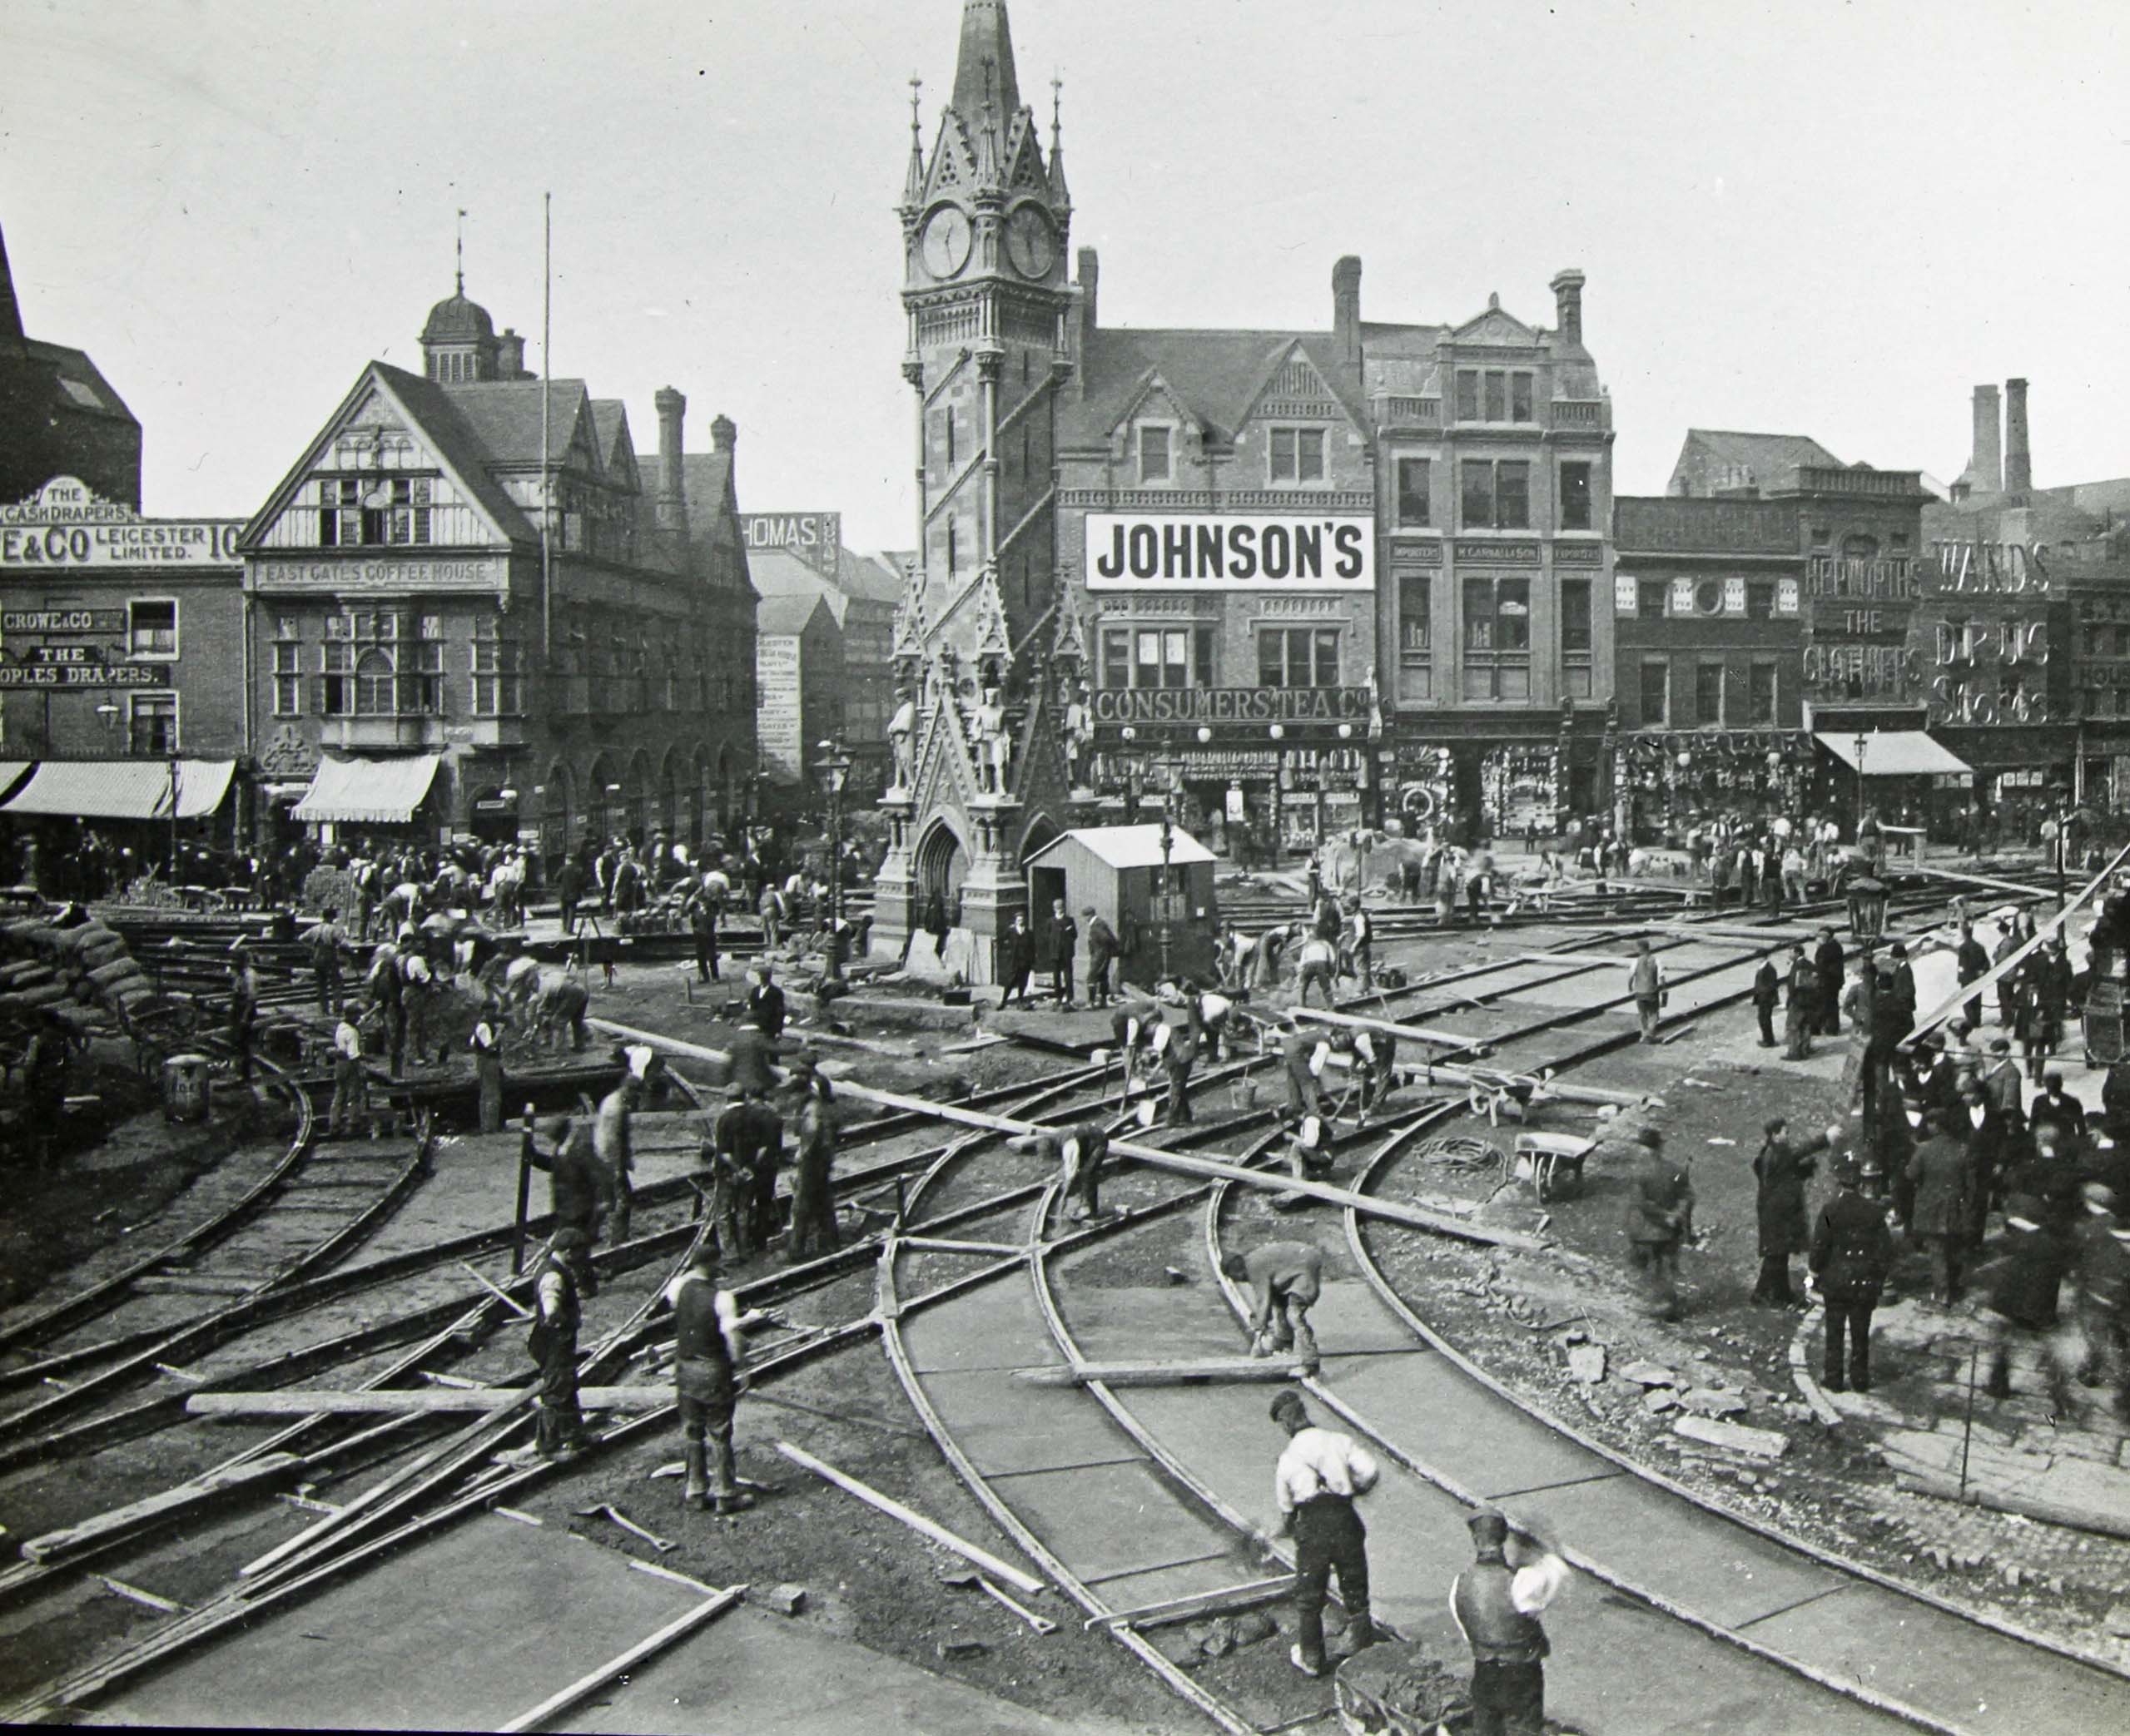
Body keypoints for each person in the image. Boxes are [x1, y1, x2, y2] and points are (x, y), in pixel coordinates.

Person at [1266, 1389, 1379, 1679]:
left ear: (1284, 1424)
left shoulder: (1288, 1459)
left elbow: (1286, 1507)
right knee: (1354, 1584)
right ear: (1305, 1414)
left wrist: (1284, 1531)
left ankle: (1313, 1658)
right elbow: (1370, 1470)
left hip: (1313, 1527)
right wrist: (1356, 1488)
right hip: (1345, 1518)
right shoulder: (1338, 1440)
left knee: (1310, 1596)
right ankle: (1362, 1646)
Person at [1451, 1508, 1568, 1736]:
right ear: (1504, 1537)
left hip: (1484, 1672)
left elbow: (1470, 1629)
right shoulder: (1522, 1581)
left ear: (1475, 1539)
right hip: (1521, 1674)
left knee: (1487, 1729)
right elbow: (1554, 1575)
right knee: (1523, 1728)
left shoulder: (1460, 1584)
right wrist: (1545, 1549)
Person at [664, 1241, 754, 1513]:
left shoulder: (677, 1287)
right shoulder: (722, 1298)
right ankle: (726, 1495)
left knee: (693, 1432)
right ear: (714, 1262)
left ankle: (695, 1490)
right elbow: (732, 1338)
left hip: (684, 1368)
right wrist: (742, 1368)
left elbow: (677, 1310)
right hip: (713, 1370)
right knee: (720, 1432)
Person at [1808, 1159, 1894, 1393]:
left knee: (1834, 1332)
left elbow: (1819, 1246)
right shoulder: (1874, 1212)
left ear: (1840, 1182)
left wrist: (1813, 1274)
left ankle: (1834, 1378)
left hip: (1836, 1280)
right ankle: (1860, 1379)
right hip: (1864, 1281)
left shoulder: (1830, 1210)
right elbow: (1885, 1249)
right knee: (1860, 1332)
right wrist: (1877, 1276)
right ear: (1861, 1183)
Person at [526, 1228, 595, 1461]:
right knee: (556, 1390)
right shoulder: (553, 1276)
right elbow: (551, 1310)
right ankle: (549, 1447)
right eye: (577, 1252)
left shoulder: (553, 1267)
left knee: (568, 1385)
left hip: (558, 1341)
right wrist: (563, 1321)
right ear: (567, 1251)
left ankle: (576, 1435)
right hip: (553, 1341)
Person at [1752, 1116, 1835, 1305]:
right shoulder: (1778, 1153)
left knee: (1778, 1254)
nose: (1788, 1136)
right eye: (1785, 1132)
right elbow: (1798, 1153)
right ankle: (1771, 1295)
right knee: (1777, 1255)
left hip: (1775, 1212)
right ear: (1775, 1135)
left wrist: (1805, 1170)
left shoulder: (1770, 1153)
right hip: (1776, 1213)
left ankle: (1772, 1293)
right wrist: (1825, 1139)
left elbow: (1786, 1173)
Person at [1907, 1110, 1975, 1304]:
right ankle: (1954, 1286)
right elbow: (1971, 1185)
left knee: (1936, 1251)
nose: (1927, 1126)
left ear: (1936, 1125)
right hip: (1956, 1208)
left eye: (1930, 1123)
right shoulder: (1963, 1149)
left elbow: (1911, 1174)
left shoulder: (1923, 1149)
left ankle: (1942, 1293)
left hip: (1931, 1208)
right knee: (1953, 1248)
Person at [1623, 1128, 1692, 1320]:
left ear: (1644, 1148)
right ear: (1660, 1147)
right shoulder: (1675, 1170)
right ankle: (1668, 1303)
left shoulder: (1638, 1172)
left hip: (1645, 1231)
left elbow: (1641, 1203)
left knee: (1644, 1266)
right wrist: (1676, 1215)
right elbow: (1687, 1196)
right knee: (1667, 1266)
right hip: (1669, 1232)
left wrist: (1664, 1216)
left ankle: (1655, 1304)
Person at [524, 1110, 608, 1266]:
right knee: (569, 1249)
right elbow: (556, 1167)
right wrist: (534, 1157)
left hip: (580, 1209)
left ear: (563, 1132)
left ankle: (586, 1287)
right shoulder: (562, 1146)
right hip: (565, 1208)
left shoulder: (581, 1148)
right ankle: (578, 1282)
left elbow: (599, 1175)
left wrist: (602, 1202)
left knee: (577, 1250)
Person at [709, 1089, 783, 1256]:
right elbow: (763, 1147)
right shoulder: (756, 1116)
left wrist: (737, 1169)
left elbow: (724, 1152)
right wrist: (750, 1168)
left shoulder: (724, 1119)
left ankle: (730, 1254)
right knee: (744, 1210)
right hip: (750, 1172)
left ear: (727, 1098)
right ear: (745, 1097)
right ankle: (744, 1251)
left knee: (723, 1213)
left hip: (728, 1173)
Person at [1226, 1239, 1324, 1364]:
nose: (1239, 1281)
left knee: (1294, 1315)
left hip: (1304, 1266)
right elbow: (1268, 1300)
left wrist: (1259, 1326)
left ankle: (1310, 1358)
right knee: (1278, 1303)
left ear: (1237, 1271)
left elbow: (1263, 1300)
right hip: (1298, 1261)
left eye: (1236, 1278)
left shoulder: (1253, 1269)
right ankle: (1284, 1342)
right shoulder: (1251, 1263)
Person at [784, 1064, 838, 1258]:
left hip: (812, 1162)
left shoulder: (813, 1107)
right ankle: (831, 1243)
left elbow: (812, 1132)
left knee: (802, 1206)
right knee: (824, 1203)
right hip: (823, 1160)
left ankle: (795, 1251)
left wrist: (802, 1153)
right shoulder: (822, 1104)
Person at [594, 1075, 643, 1246]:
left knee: (605, 1200)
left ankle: (592, 1233)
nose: (636, 1099)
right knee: (624, 1200)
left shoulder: (610, 1100)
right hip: (610, 1159)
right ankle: (618, 1241)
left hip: (602, 1156)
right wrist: (617, 1168)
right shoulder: (618, 1108)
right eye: (635, 1094)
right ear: (629, 1090)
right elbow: (614, 1139)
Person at [328, 1006, 367, 1136]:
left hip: (339, 1064)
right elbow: (353, 1054)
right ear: (351, 1016)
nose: (358, 1019)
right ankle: (353, 1123)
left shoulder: (341, 1027)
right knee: (354, 1095)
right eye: (356, 1016)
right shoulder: (352, 1032)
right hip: (350, 1064)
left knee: (339, 1093)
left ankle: (334, 1124)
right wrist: (367, 1058)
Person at [304, 906, 349, 1015]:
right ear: (331, 917)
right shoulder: (334, 929)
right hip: (330, 957)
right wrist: (349, 952)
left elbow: (302, 938)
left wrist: (311, 948)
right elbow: (343, 943)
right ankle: (338, 1010)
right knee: (336, 983)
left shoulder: (315, 929)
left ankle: (324, 1010)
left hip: (317, 957)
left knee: (321, 985)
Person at [2029, 1068, 2088, 1148]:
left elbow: (2082, 1130)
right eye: (2050, 1086)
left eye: (2054, 1086)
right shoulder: (2039, 1101)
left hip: (2065, 1145)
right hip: (2047, 1143)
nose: (2052, 1088)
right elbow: (2032, 1126)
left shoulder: (2073, 1103)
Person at [469, 1003, 504, 1133]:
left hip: (483, 1060)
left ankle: (486, 1126)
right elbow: (489, 1045)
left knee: (486, 1093)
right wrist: (499, 1033)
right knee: (492, 1094)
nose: (494, 1013)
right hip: (489, 1060)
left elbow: (472, 1042)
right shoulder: (485, 1025)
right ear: (486, 1011)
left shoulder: (481, 1025)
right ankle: (490, 1127)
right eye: (492, 1010)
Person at [226, 950, 259, 1084]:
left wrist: (245, 1016)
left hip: (245, 1010)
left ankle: (245, 1076)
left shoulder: (250, 975)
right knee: (235, 1041)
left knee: (243, 1042)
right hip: (237, 1008)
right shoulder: (238, 974)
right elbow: (235, 992)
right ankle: (238, 1072)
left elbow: (251, 999)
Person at [1782, 944, 1818, 1060]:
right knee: (1806, 1026)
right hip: (1810, 1001)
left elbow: (1793, 986)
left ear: (1797, 953)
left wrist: (1790, 1000)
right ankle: (1805, 1049)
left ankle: (1794, 1053)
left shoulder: (1798, 966)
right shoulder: (1809, 963)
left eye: (1791, 952)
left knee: (1793, 1026)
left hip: (1798, 1001)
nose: (1789, 955)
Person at [685, 877, 722, 984]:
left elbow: (713, 918)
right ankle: (704, 976)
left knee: (712, 956)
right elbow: (689, 913)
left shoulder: (712, 907)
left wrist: (707, 911)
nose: (702, 903)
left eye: (704, 901)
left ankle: (715, 976)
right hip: (698, 933)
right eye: (701, 901)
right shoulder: (695, 907)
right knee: (700, 956)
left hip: (709, 933)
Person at [1629, 940, 1664, 1045]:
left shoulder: (1636, 961)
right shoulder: (1657, 960)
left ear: (1640, 948)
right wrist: (1663, 989)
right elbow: (1661, 977)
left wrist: (1630, 987)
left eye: (1636, 948)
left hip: (1639, 992)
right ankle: (1649, 1035)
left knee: (1642, 1015)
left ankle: (1644, 1035)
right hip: (1652, 992)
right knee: (1654, 1015)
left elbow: (1631, 976)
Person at [1956, 925, 1991, 1030]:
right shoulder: (1980, 947)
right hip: (1977, 978)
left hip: (1967, 978)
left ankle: (1970, 1021)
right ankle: (1977, 1021)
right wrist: (1982, 971)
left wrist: (1960, 977)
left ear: (1964, 934)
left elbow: (1961, 965)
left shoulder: (1963, 948)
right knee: (1977, 1000)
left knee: (1967, 1001)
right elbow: (1987, 963)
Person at [1085, 907, 1120, 1007]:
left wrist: (1101, 949)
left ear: (1089, 915)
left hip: (1099, 955)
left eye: (1086, 917)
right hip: (1103, 954)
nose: (1085, 919)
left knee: (1091, 977)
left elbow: (1106, 938)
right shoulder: (1100, 923)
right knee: (1103, 976)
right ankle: (1103, 1001)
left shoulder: (1097, 925)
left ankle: (1091, 1002)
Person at [1813, 930, 1845, 1036]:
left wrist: (1816, 974)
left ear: (1824, 938)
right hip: (1835, 980)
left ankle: (1819, 1027)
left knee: (1823, 1004)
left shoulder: (1824, 948)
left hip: (1826, 981)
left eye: (1819, 938)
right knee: (1833, 1004)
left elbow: (1820, 964)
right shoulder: (1837, 945)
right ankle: (1833, 1028)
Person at [998, 911, 1035, 1007]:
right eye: (1018, 920)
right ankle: (1003, 1002)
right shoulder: (1011, 931)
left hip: (1025, 962)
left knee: (1023, 982)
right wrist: (1006, 952)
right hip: (1014, 961)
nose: (1020, 922)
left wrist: (1031, 961)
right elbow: (1001, 940)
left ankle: (1020, 1000)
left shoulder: (1029, 933)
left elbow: (1033, 947)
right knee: (1010, 982)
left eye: (1022, 920)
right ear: (1015, 921)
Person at [1045, 900, 1078, 1005]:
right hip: (1055, 953)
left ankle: (1070, 997)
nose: (1059, 909)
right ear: (1054, 908)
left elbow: (1074, 935)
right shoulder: (1050, 921)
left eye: (1061, 907)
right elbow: (1047, 935)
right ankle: (1058, 997)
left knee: (1068, 975)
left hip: (1066, 953)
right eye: (1057, 907)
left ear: (1064, 908)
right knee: (1056, 975)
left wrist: (1067, 942)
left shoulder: (1069, 920)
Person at [1294, 930, 1338, 1008]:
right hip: (1321, 964)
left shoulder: (1307, 945)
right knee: (1326, 988)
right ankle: (1331, 1007)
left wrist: (1300, 974)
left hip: (1309, 964)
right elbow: (1333, 959)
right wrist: (1330, 970)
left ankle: (1302, 1005)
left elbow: (1302, 961)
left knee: (1304, 987)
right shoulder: (1326, 944)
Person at [745, 964, 787, 1040]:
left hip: (770, 1027)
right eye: (762, 976)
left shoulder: (776, 992)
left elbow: (780, 1013)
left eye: (765, 976)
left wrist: (778, 1031)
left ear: (770, 977)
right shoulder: (755, 990)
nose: (763, 978)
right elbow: (752, 1007)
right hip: (756, 1025)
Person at [1752, 955, 1781, 1049]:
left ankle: (1769, 1040)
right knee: (1763, 1019)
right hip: (1762, 998)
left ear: (1763, 957)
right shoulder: (1762, 967)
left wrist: (1762, 992)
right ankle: (1767, 1039)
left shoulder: (1769, 969)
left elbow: (1772, 985)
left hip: (1767, 998)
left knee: (1765, 1019)